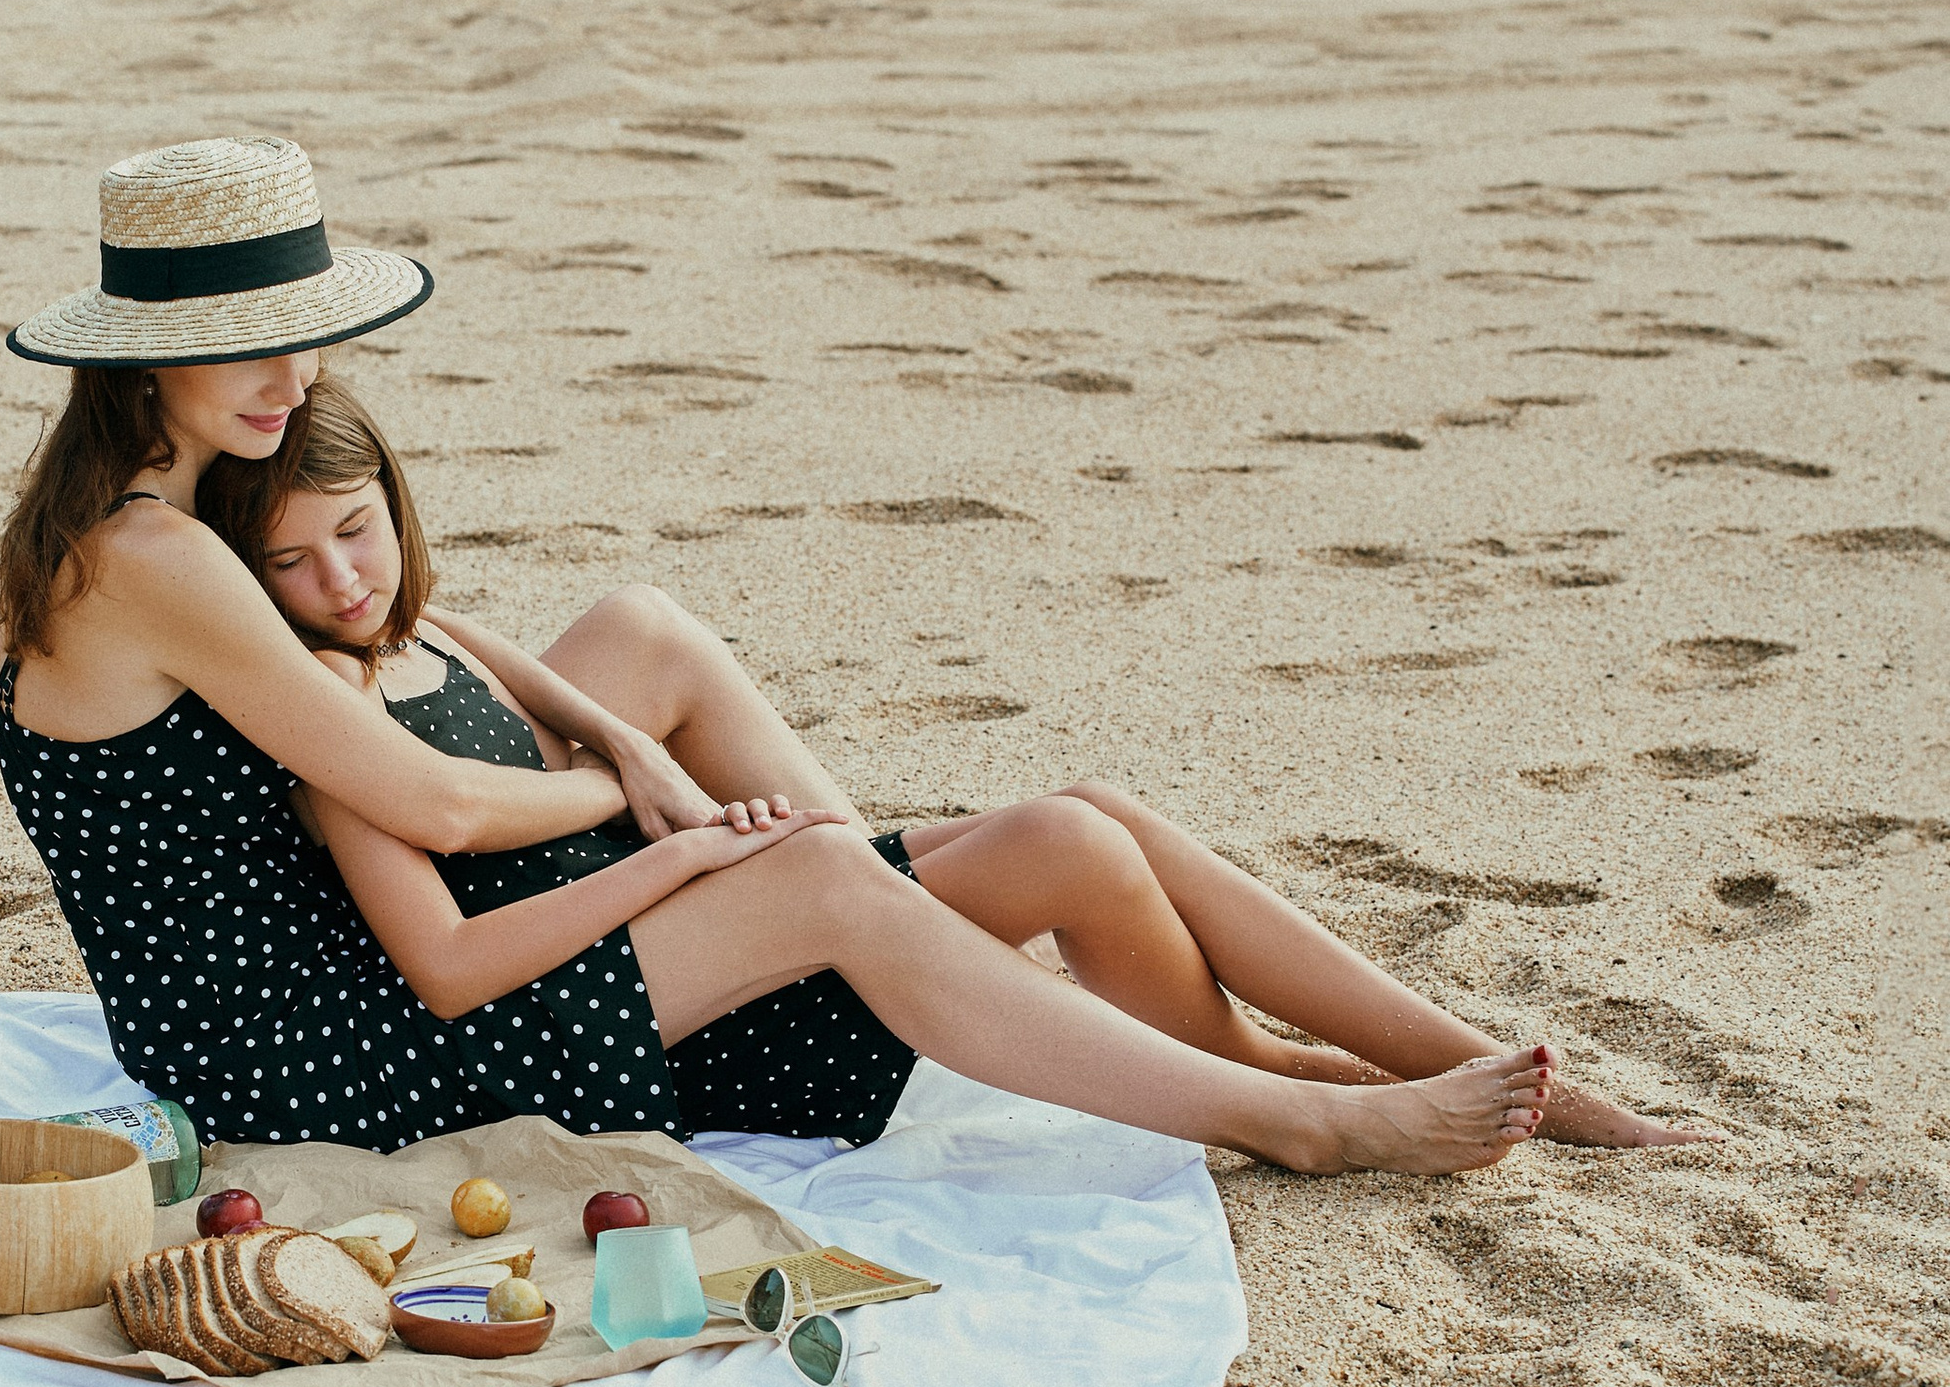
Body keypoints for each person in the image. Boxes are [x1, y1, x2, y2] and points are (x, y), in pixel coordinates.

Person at [0, 134, 1562, 1175]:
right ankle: (1284, 1115)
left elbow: (410, 635)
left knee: (644, 633)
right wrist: (642, 802)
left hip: (348, 943)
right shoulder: (157, 555)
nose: (293, 371)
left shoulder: (154, 515)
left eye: (304, 328)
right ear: (149, 353)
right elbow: (448, 813)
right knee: (804, 875)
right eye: (251, 339)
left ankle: (871, 922)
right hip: (309, 1056)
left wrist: (637, 750)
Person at [237, 370, 1698, 1155]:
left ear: (397, 505)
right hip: (619, 1020)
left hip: (664, 924)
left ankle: (1409, 1054)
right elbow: (441, 965)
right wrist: (673, 845)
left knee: (1085, 825)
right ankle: (1291, 1107)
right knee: (950, 856)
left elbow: (455, 633)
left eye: (358, 530)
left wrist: (624, 736)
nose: (343, 579)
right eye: (293, 565)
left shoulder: (400, 626)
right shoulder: (322, 720)